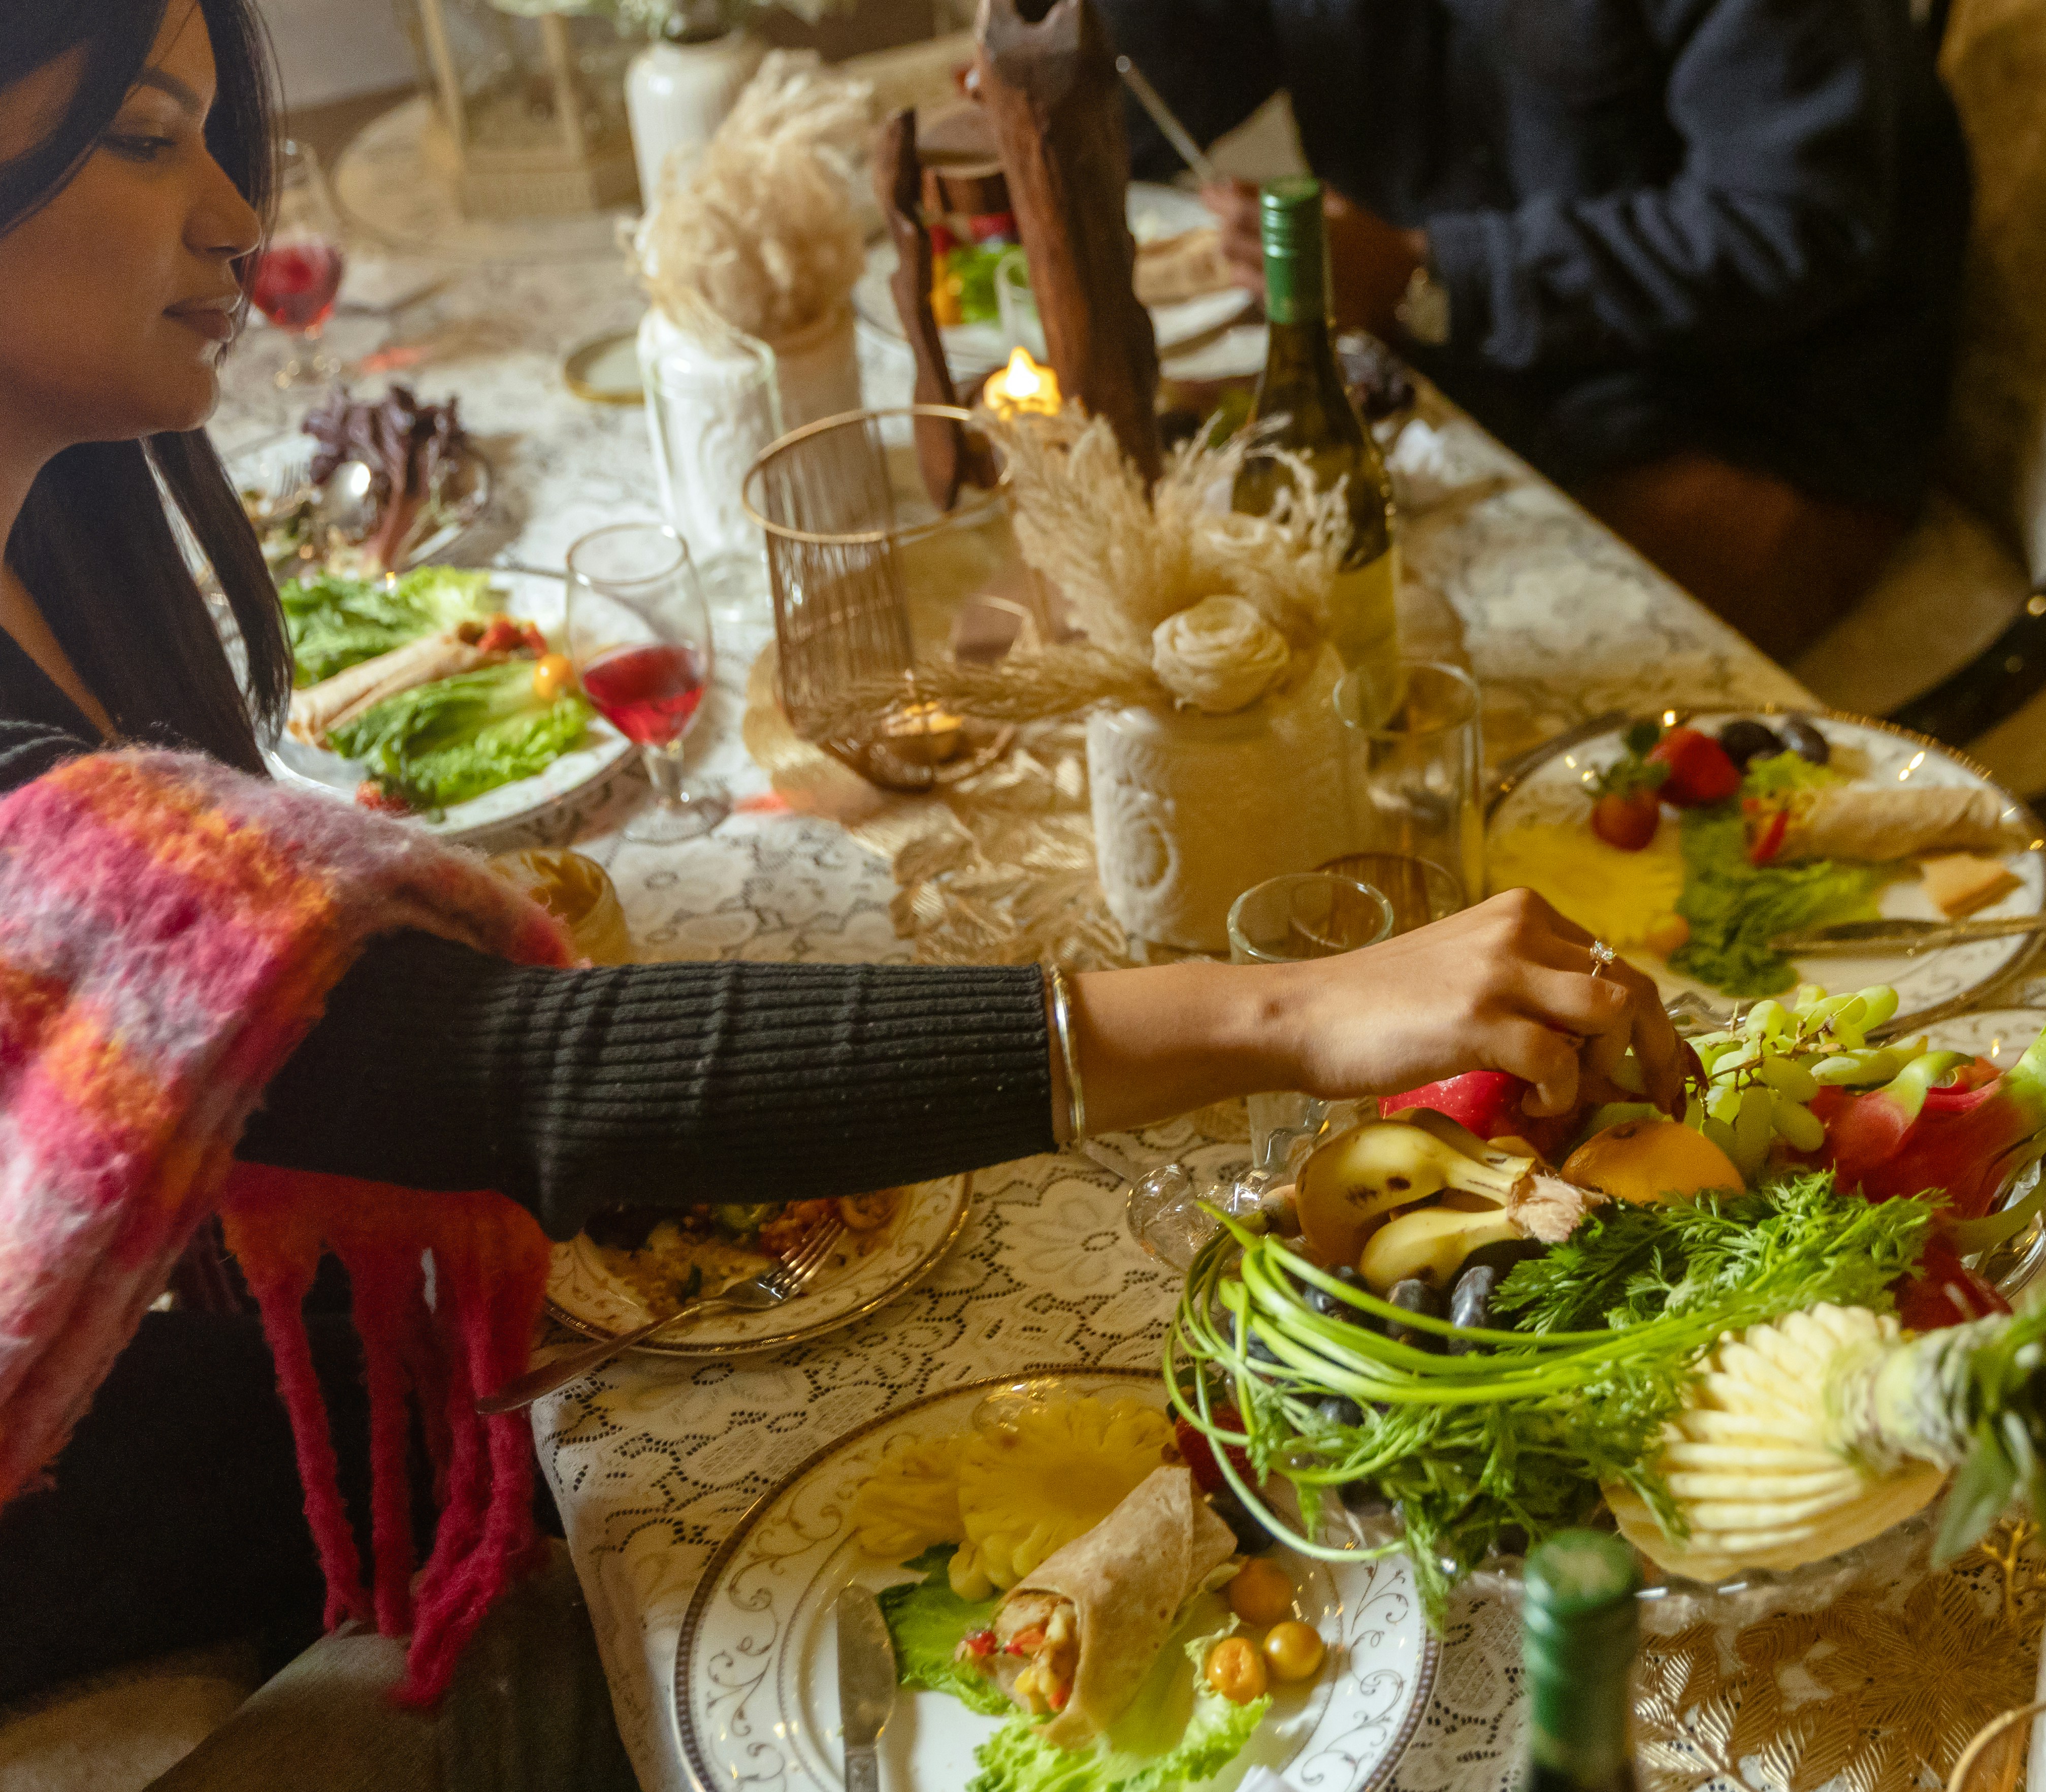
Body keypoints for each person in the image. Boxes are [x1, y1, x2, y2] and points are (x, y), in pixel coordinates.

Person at [0, 0, 1690, 1766]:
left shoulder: (64, 513)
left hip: (159, 1407)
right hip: (63, 1529)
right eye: (144, 139)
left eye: (215, 138)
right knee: (652, 1619)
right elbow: (511, 1077)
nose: (234, 217)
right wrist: (1293, 1011)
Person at [1098, 0, 1970, 665]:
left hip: (1747, 430)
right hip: (1472, 383)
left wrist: (1427, 276)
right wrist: (1079, 51)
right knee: (1152, 607)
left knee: (1403, 695)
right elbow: (1158, 93)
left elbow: (1790, 227)